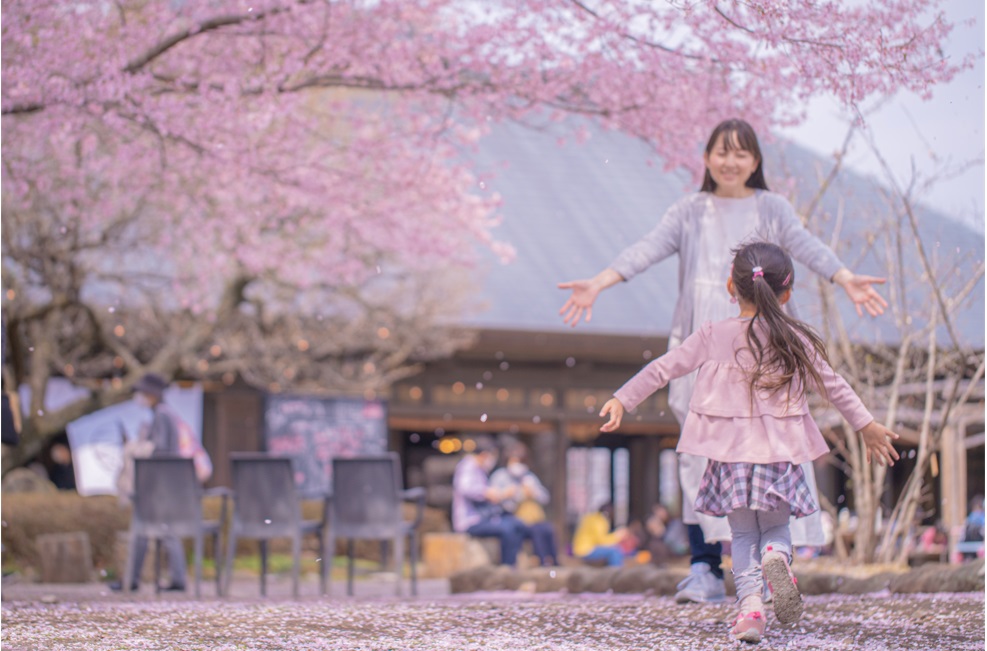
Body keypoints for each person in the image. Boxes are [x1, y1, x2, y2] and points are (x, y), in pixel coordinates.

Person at [558, 118, 888, 604]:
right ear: (707, 157)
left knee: (772, 448)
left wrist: (844, 277)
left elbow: (805, 246)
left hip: (769, 353)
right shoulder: (691, 211)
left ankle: (761, 564)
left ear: (756, 161)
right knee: (699, 457)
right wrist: (600, 282)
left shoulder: (772, 208)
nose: (731, 161)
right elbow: (646, 249)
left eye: (742, 153)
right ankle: (708, 566)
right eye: (721, 151)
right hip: (706, 351)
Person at [599, 241, 899, 643]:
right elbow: (834, 385)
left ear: (730, 287)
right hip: (777, 456)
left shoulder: (712, 335)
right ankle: (777, 558)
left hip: (731, 460)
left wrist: (624, 397)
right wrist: (866, 425)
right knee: (775, 529)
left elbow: (664, 368)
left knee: (741, 536)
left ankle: (751, 611)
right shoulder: (793, 339)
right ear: (786, 293)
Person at [110, 373, 189, 593]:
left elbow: (160, 449)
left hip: (159, 484)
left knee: (145, 529)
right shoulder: (163, 414)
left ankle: (133, 580)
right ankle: (171, 578)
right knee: (163, 530)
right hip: (165, 485)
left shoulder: (162, 415)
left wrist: (140, 447)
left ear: (152, 394)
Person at [451, 436, 531, 567]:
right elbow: (465, 488)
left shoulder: (480, 470)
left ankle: (513, 565)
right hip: (469, 522)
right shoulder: (467, 466)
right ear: (484, 455)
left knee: (517, 524)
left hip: (483, 518)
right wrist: (489, 493)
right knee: (508, 529)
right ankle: (508, 568)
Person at [488, 441, 558, 566]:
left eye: (520, 461)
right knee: (535, 530)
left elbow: (545, 497)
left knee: (547, 529)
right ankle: (541, 564)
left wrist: (533, 493)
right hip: (509, 517)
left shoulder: (529, 476)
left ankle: (554, 563)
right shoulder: (500, 476)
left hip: (531, 518)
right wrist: (517, 495)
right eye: (514, 460)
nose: (517, 464)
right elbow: (497, 503)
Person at [572, 502, 634, 567]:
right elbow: (601, 541)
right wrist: (617, 535)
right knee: (615, 552)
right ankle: (616, 573)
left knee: (617, 551)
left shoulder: (591, 518)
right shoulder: (599, 521)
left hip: (581, 549)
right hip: (586, 550)